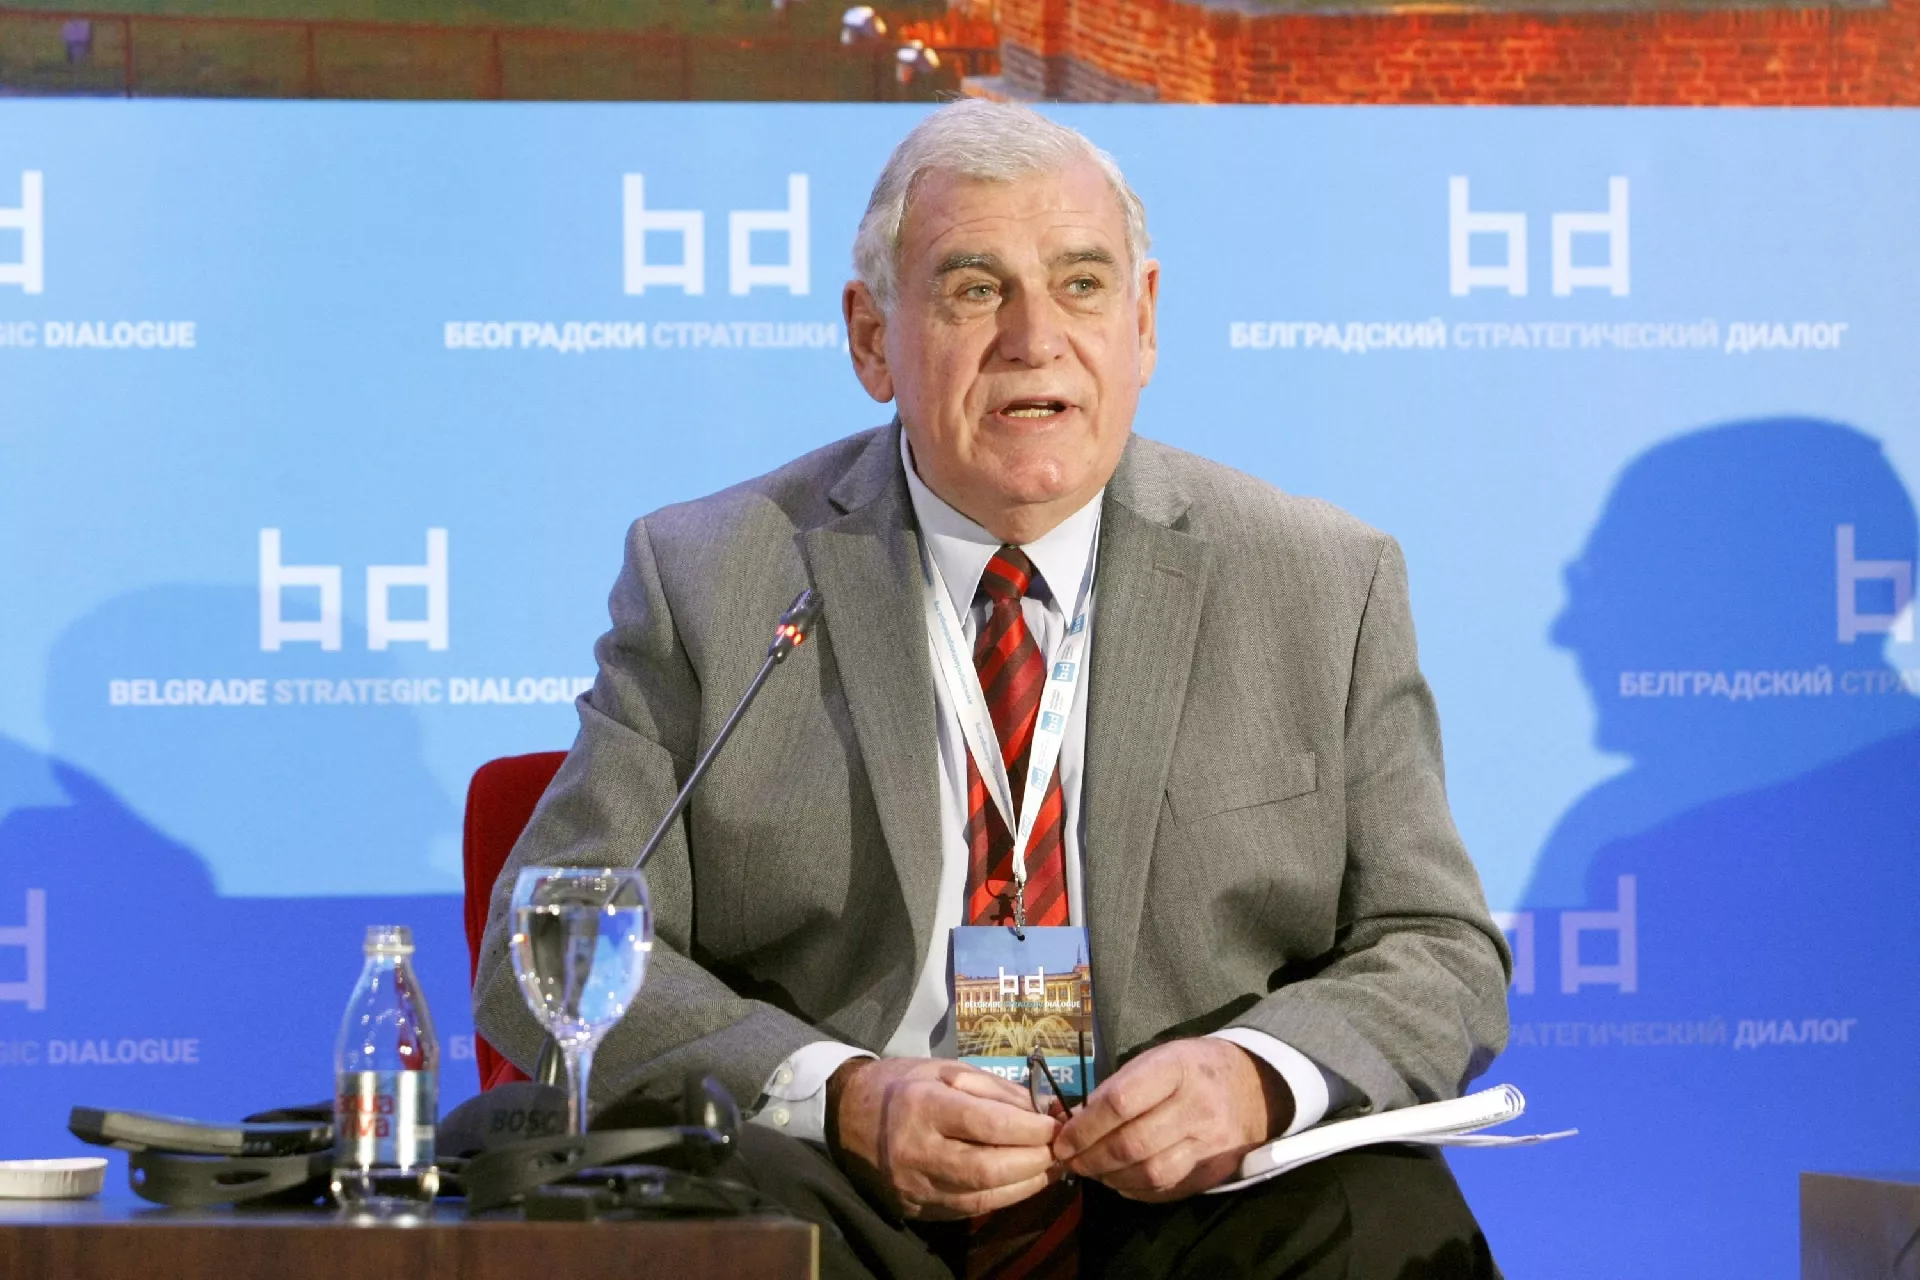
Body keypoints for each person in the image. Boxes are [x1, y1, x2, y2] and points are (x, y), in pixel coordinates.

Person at [475, 100, 1509, 1278]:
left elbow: (1437, 945)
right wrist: (840, 1094)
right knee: (699, 1217)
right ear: (873, 338)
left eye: (1081, 284)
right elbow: (542, 950)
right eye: (974, 289)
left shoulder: (1318, 580)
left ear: (1144, 321)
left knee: (1385, 1215)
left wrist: (1255, 1078)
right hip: (843, 1191)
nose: (1035, 338)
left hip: (1193, 1201)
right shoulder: (713, 575)